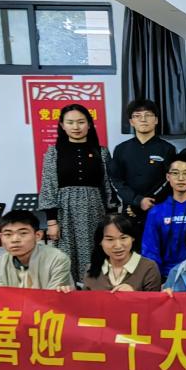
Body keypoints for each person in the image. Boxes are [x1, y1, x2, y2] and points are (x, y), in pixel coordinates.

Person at [38, 103, 119, 282]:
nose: (76, 127)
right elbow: (48, 186)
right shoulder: (54, 152)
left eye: (81, 122)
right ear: (62, 125)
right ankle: (69, 291)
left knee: (96, 252)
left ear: (89, 124)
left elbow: (108, 186)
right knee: (66, 255)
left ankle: (94, 288)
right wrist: (52, 222)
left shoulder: (101, 152)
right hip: (65, 213)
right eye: (70, 122)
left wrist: (111, 218)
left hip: (95, 211)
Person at [108, 99, 177, 228]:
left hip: (159, 208)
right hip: (130, 210)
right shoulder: (121, 149)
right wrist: (136, 200)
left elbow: (169, 179)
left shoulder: (168, 149)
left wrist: (148, 200)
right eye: (137, 116)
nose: (143, 119)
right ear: (131, 122)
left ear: (156, 120)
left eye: (148, 115)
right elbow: (116, 180)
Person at [80, 214, 161, 292]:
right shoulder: (91, 269)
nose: (118, 246)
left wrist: (135, 295)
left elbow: (154, 301)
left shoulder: (148, 268)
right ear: (100, 242)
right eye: (110, 239)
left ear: (133, 238)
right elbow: (86, 300)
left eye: (123, 238)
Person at [0, 210, 72, 289]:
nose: (15, 240)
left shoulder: (57, 259)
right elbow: (2, 294)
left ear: (38, 235)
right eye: (8, 234)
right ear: (1, 237)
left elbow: (52, 295)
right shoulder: (1, 262)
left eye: (23, 233)